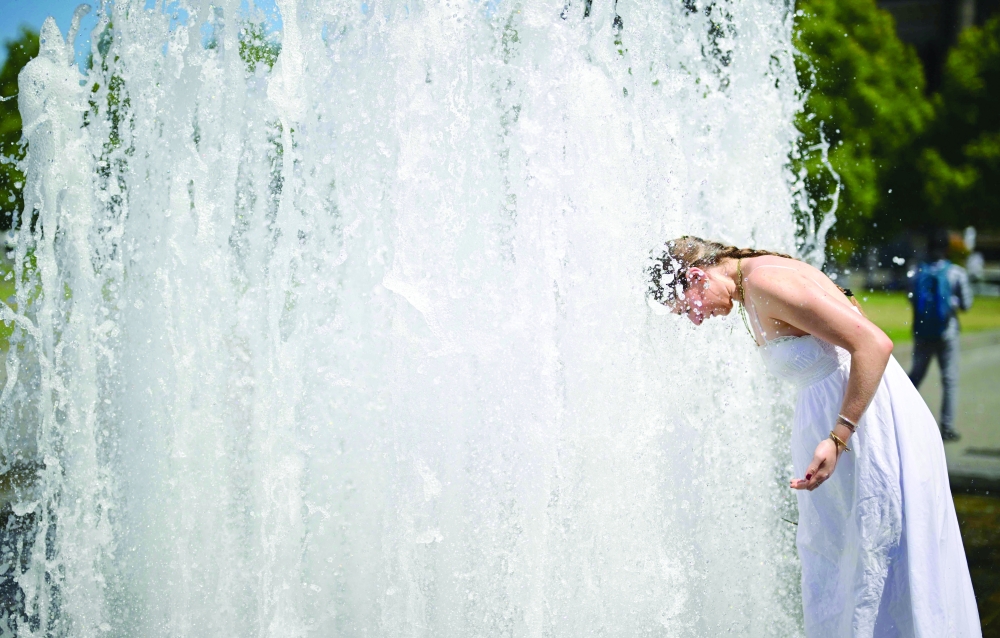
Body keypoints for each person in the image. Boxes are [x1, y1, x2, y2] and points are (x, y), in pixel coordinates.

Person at [648, 237, 980, 637]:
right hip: (852, 431)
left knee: (881, 558)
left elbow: (874, 343)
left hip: (868, 431)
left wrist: (838, 437)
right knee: (848, 564)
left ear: (698, 276)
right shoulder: (753, 282)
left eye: (687, 308)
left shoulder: (766, 282)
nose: (696, 320)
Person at [908, 229, 974, 441]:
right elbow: (966, 304)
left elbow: (910, 298)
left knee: (914, 377)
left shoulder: (918, 271)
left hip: (922, 333)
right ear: (946, 247)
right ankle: (946, 427)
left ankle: (901, 417)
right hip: (948, 333)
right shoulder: (956, 273)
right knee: (949, 379)